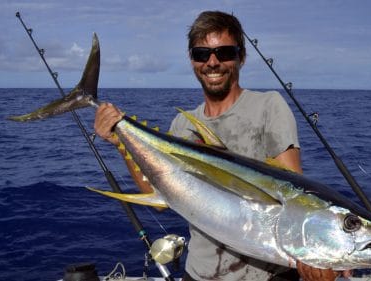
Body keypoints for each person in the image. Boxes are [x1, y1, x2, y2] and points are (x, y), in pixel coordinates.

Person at [95, 10, 347, 281]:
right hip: (200, 274)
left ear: (242, 57)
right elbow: (159, 199)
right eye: (202, 54)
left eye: (224, 52)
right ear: (192, 60)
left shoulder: (268, 107)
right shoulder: (182, 125)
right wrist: (120, 141)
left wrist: (317, 254)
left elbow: (293, 194)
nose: (212, 62)